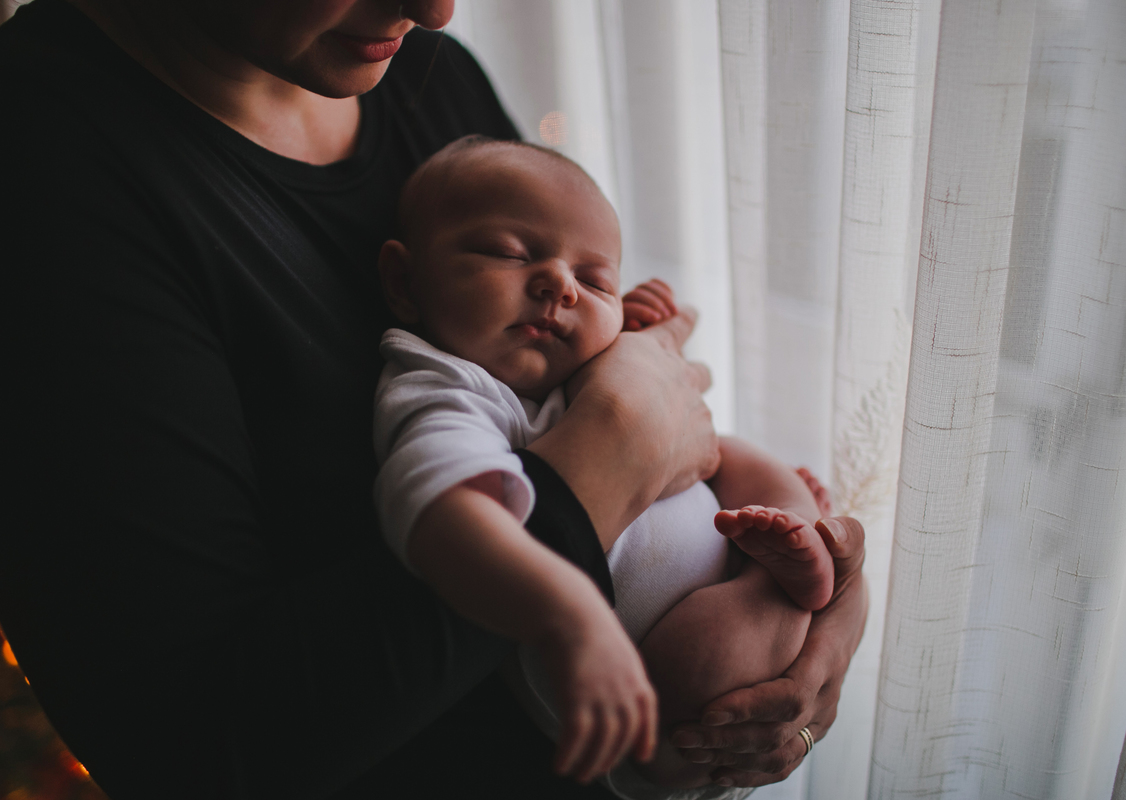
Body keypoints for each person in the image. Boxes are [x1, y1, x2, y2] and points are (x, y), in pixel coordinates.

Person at [0, 0, 869, 797]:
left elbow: (582, 378)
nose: (435, 8)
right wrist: (612, 455)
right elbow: (195, 752)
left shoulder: (425, 74)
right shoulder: (46, 167)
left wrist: (815, 623)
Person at [372, 136, 836, 794]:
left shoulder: (573, 365)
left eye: (594, 281)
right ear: (403, 282)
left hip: (728, 554)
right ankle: (781, 587)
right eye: (509, 253)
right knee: (697, 662)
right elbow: (447, 516)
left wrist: (629, 328)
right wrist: (570, 615)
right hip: (663, 689)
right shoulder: (447, 388)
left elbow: (679, 420)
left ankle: (795, 529)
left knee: (738, 455)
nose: (559, 284)